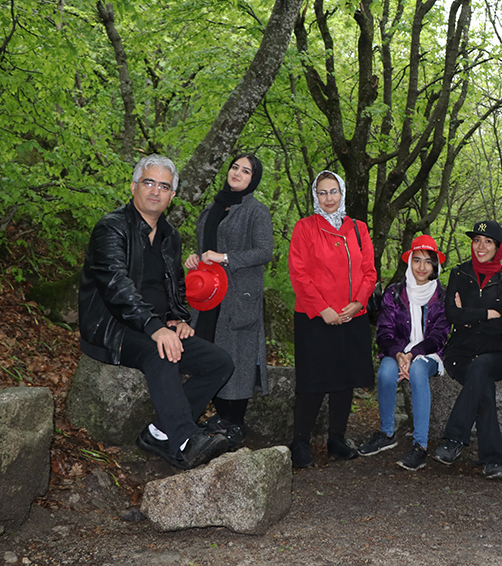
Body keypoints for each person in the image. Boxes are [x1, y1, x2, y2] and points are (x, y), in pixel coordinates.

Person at [79, 155, 234, 469]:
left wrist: (177, 316)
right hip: (112, 326)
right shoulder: (111, 228)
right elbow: (115, 285)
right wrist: (155, 327)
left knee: (220, 362)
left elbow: (173, 281)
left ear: (172, 196)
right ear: (134, 185)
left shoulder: (170, 236)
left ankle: (159, 432)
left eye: (164, 186)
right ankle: (187, 439)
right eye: (149, 182)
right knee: (161, 353)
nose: (155, 191)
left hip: (154, 325)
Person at [288, 170, 377, 468]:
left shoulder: (358, 228)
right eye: (323, 192)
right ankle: (300, 443)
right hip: (316, 316)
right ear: (316, 195)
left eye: (333, 191)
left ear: (342, 193)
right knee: (312, 381)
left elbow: (369, 271)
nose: (329, 198)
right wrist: (322, 308)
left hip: (352, 315)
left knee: (345, 379)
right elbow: (298, 273)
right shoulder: (305, 227)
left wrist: (357, 303)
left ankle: (336, 439)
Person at [184, 154, 273, 450]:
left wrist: (224, 258)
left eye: (246, 171)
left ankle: (233, 423)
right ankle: (218, 419)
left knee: (239, 357)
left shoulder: (256, 211)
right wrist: (195, 258)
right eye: (235, 167)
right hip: (209, 294)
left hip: (238, 298)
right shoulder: (212, 207)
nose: (237, 173)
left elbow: (264, 252)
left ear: (253, 179)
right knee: (210, 350)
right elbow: (204, 246)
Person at [432, 220, 502, 480]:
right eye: (476, 240)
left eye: (488, 241)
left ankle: (454, 438)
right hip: (461, 354)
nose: (480, 246)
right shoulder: (459, 273)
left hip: (497, 354)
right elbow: (451, 314)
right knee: (483, 384)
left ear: (498, 247)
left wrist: (469, 317)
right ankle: (493, 460)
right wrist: (485, 314)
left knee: (482, 368)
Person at [361, 235, 450, 471]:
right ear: (410, 262)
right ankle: (387, 433)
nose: (422, 267)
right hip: (398, 351)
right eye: (417, 260)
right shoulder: (393, 293)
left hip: (429, 354)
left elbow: (439, 335)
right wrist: (399, 354)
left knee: (419, 371)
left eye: (428, 262)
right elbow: (384, 332)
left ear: (435, 266)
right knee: (386, 373)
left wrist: (414, 354)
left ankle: (420, 445)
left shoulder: (442, 296)